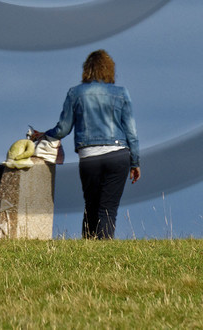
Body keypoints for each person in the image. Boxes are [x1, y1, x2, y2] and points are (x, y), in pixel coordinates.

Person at [38, 49, 140, 239]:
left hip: (89, 157)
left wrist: (44, 135)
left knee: (91, 205)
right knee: (108, 208)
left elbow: (63, 129)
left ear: (87, 69)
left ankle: (89, 247)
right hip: (118, 154)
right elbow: (131, 132)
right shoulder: (121, 93)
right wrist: (135, 162)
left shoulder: (75, 93)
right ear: (110, 70)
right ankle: (102, 251)